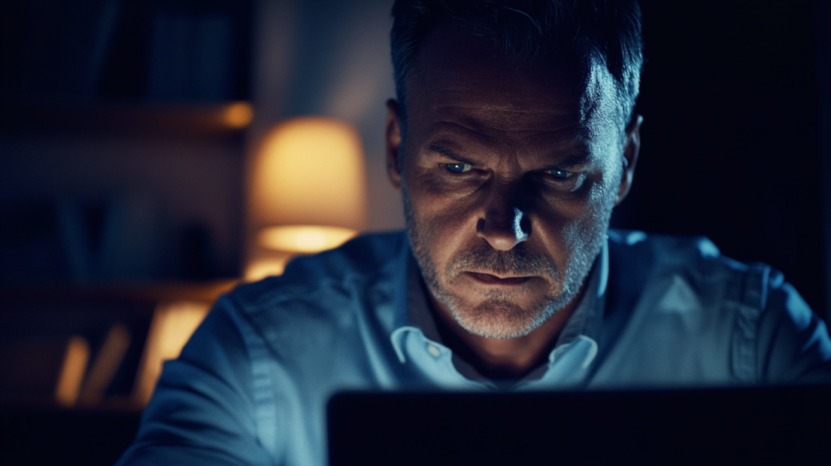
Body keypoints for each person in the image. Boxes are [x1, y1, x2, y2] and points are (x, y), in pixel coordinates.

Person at [116, 1, 831, 465]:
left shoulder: (752, 340)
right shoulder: (259, 354)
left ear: (624, 166)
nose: (501, 229)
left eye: (556, 174)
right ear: (396, 150)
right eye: (458, 166)